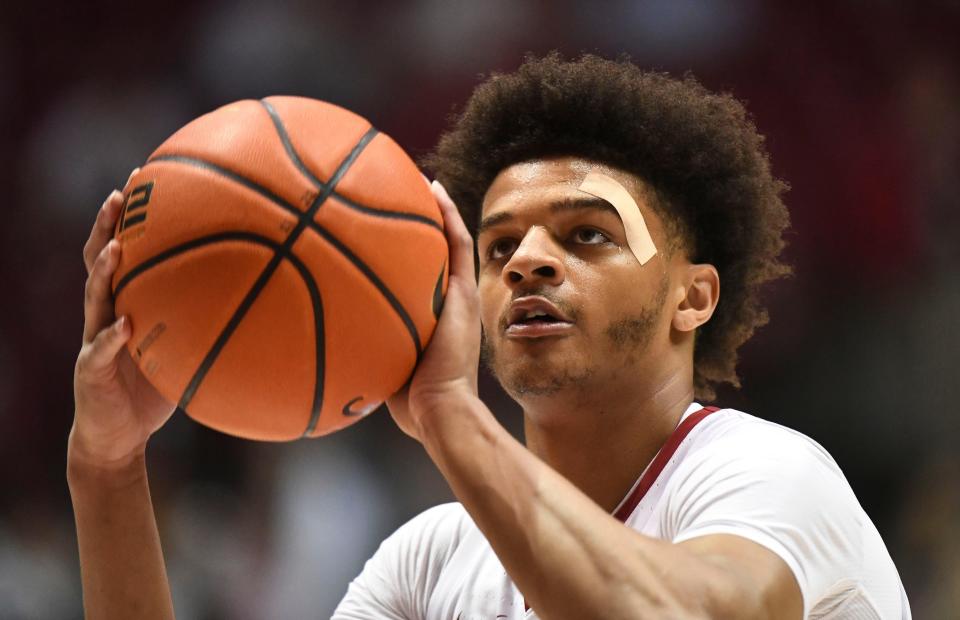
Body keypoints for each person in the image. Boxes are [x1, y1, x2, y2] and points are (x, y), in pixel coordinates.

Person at [68, 54, 910, 619]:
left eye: (586, 235)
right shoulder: (431, 564)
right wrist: (108, 468)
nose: (528, 263)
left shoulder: (761, 474)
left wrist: (448, 415)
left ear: (692, 298)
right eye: (499, 245)